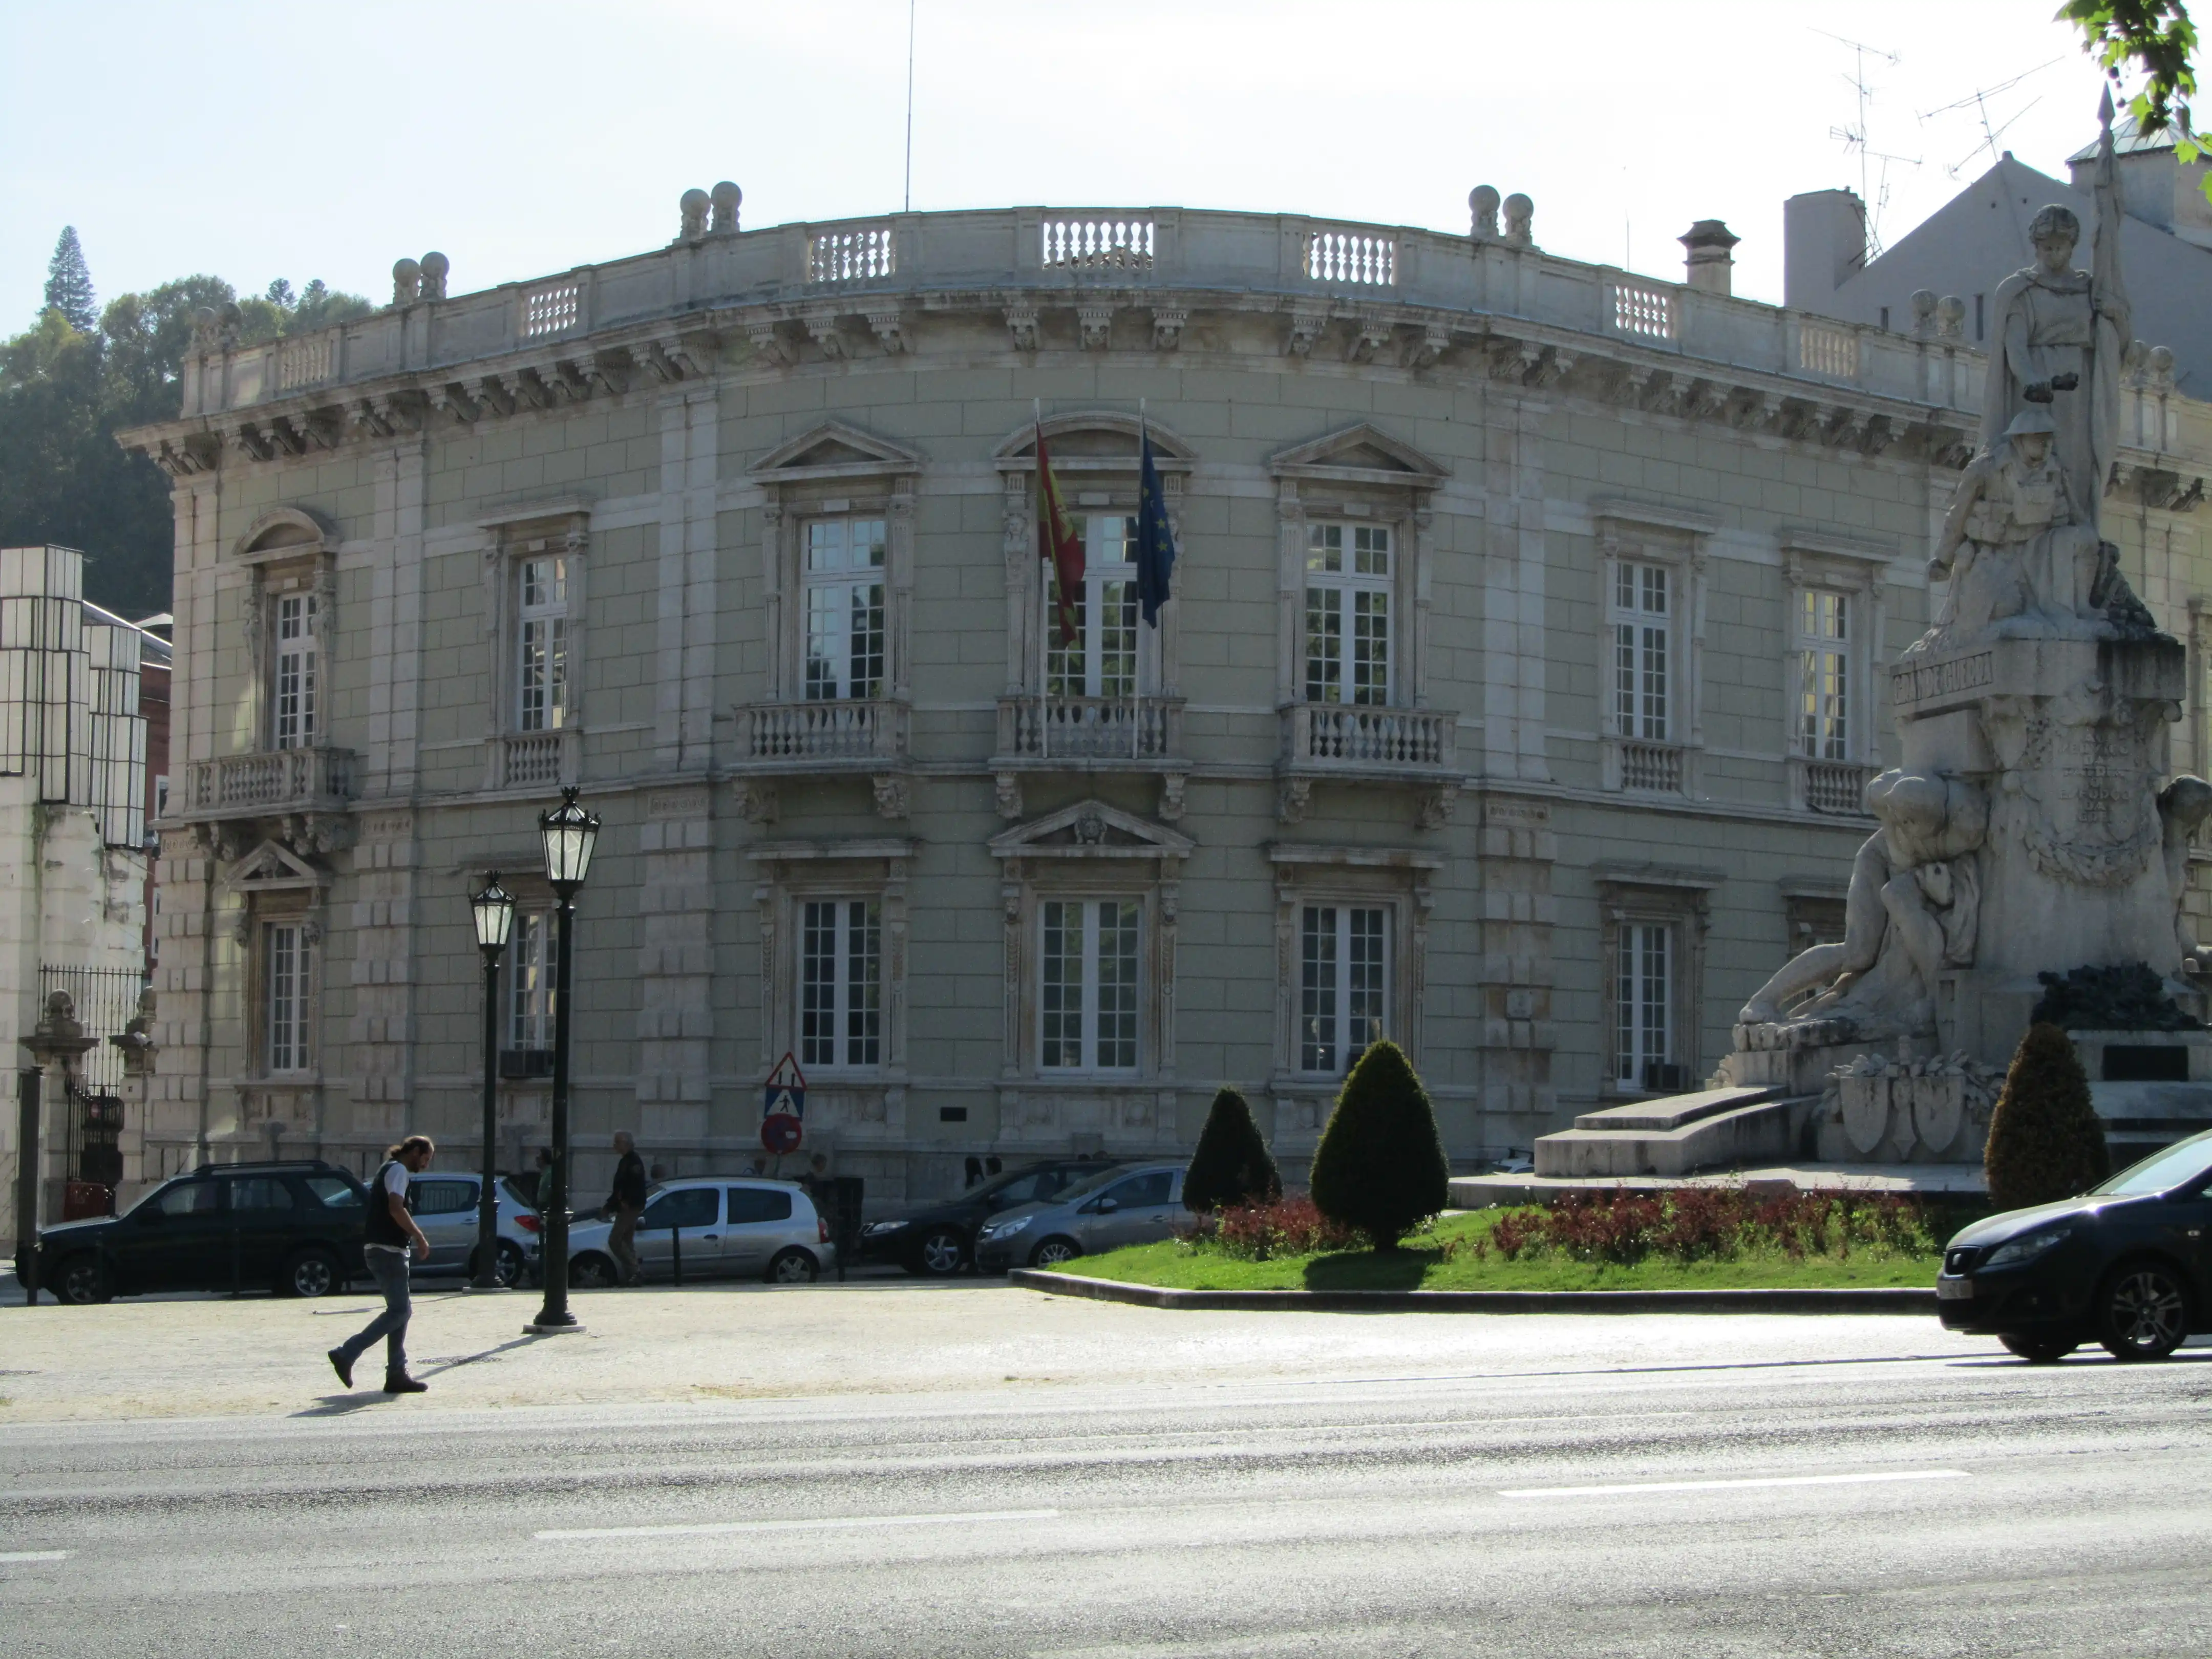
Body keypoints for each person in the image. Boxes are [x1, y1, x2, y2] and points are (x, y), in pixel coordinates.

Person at [328, 1136, 434, 1395]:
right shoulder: (398, 1170)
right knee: (399, 1312)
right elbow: (396, 1208)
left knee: (401, 1310)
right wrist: (419, 1235)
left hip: (381, 1249)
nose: (426, 1165)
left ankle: (397, 1374)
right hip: (388, 1250)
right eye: (426, 1158)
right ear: (416, 1152)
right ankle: (348, 1353)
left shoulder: (387, 1168)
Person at [602, 1131, 647, 1287]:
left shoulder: (633, 1162)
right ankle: (633, 1276)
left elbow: (634, 1185)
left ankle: (635, 1271)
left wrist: (625, 1202)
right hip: (627, 1206)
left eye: (617, 1142)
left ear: (626, 1144)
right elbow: (619, 1188)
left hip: (630, 1207)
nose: (614, 1146)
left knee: (615, 1240)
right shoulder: (626, 1161)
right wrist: (610, 1205)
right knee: (627, 1242)